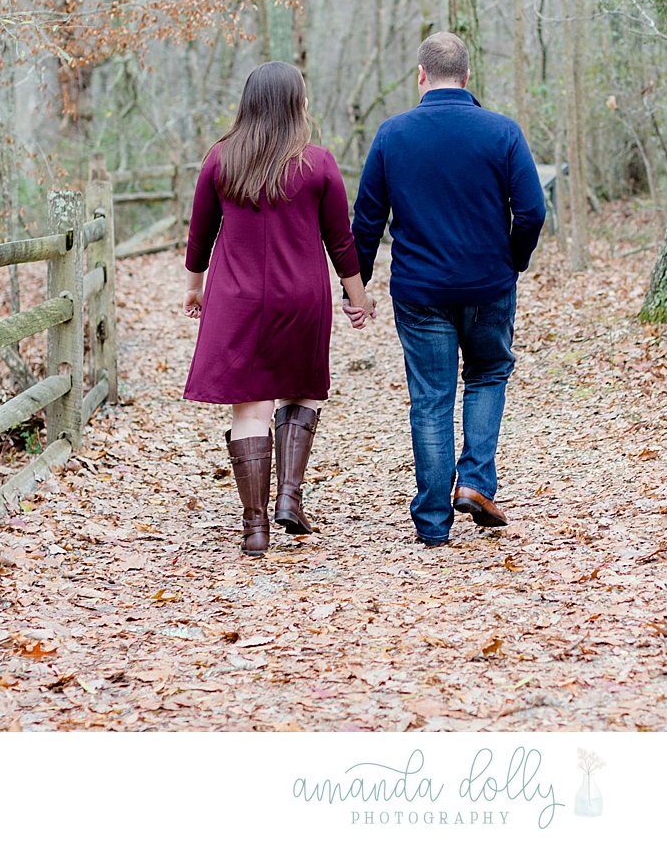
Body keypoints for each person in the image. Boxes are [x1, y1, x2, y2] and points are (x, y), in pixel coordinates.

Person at [350, 32, 546, 547]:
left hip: (420, 292)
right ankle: (476, 483)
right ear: (466, 77)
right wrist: (513, 260)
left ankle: (434, 524)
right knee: (486, 376)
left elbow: (367, 218)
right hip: (488, 286)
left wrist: (358, 286)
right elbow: (532, 211)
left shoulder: (393, 135)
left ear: (421, 76)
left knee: (431, 399)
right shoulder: (502, 132)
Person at [182, 61, 373, 557]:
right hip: (303, 297)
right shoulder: (319, 163)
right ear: (296, 105)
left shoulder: (221, 161)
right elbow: (341, 240)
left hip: (237, 300)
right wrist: (358, 298)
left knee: (251, 406)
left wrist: (194, 286)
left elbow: (200, 234)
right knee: (303, 390)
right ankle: (289, 494)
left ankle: (255, 528)